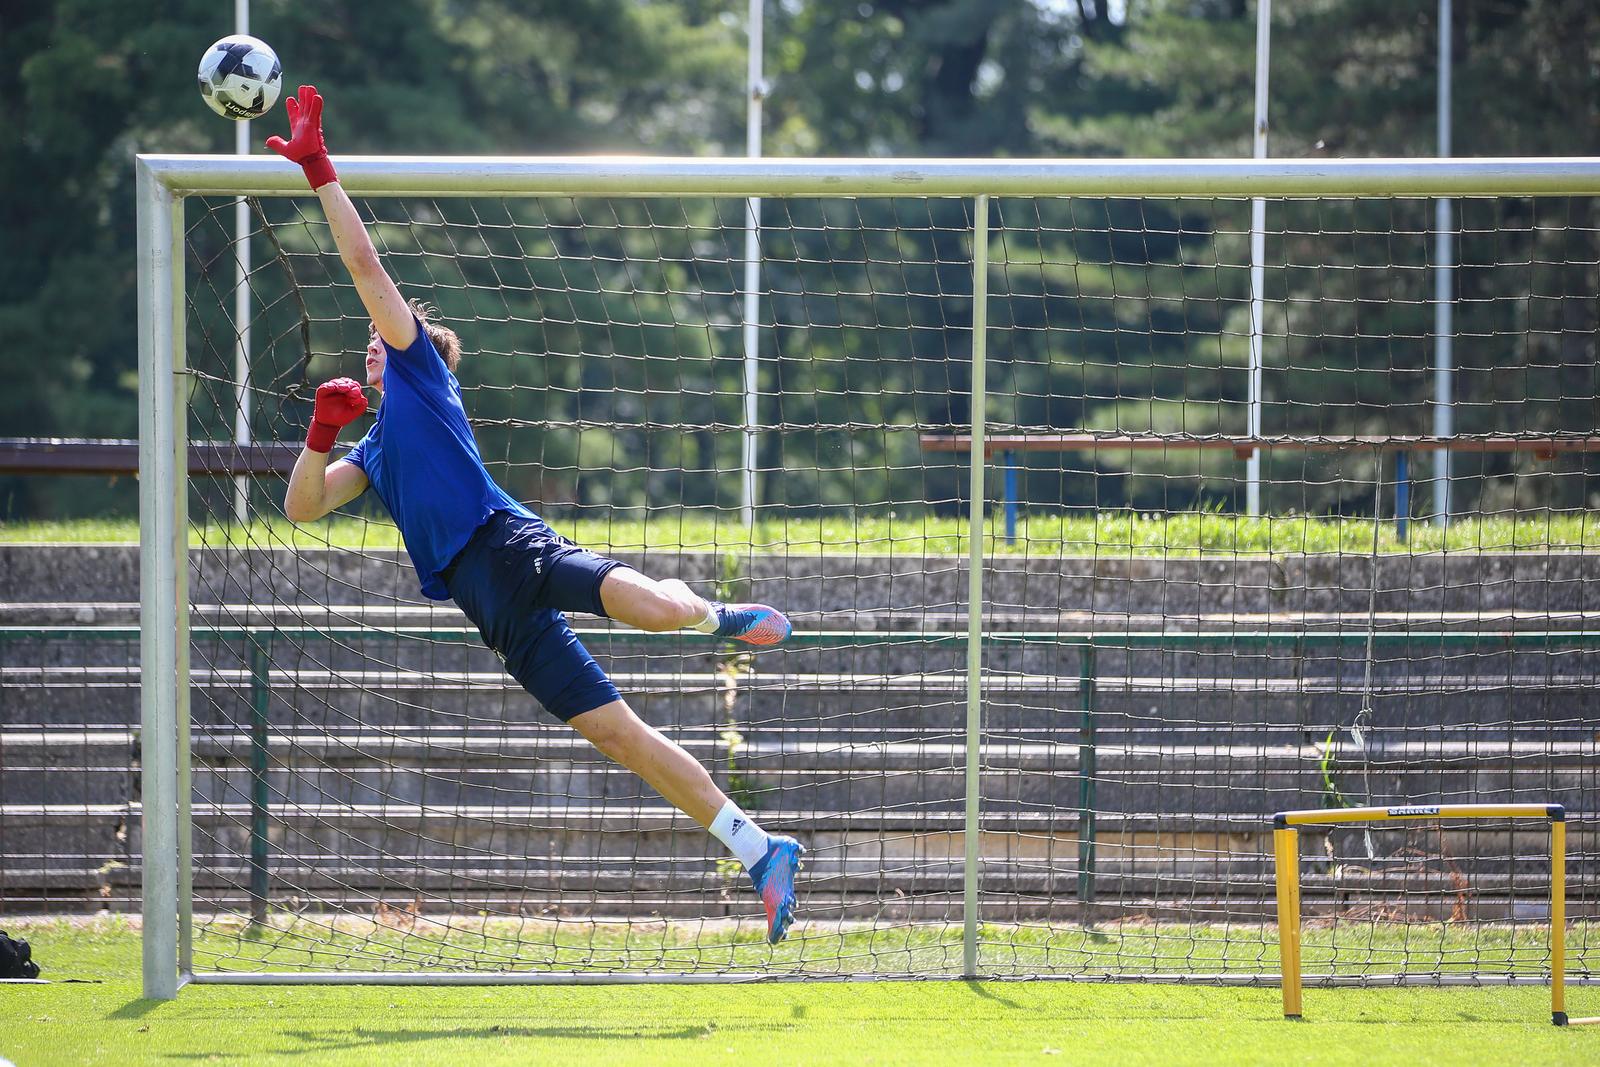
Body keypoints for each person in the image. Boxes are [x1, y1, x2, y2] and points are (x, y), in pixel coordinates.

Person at [269, 85, 802, 943]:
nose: (370, 337)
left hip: (511, 545)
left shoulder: (419, 375)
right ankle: (760, 849)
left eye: (385, 333)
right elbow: (302, 506)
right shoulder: (371, 452)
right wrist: (322, 430)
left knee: (661, 611)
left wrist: (319, 171)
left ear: (412, 349)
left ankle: (718, 617)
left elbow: (368, 271)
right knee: (622, 738)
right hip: (495, 611)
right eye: (371, 342)